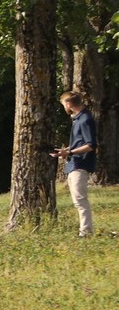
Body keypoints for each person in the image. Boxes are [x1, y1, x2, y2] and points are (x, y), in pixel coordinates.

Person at [61, 88, 97, 237]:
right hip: (73, 163)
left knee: (80, 199)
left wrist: (70, 152)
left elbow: (91, 145)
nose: (64, 107)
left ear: (69, 104)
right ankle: (85, 230)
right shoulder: (77, 119)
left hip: (81, 164)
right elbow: (79, 142)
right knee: (77, 199)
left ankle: (86, 232)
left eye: (64, 104)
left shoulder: (85, 119)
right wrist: (66, 150)